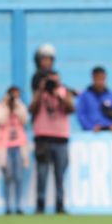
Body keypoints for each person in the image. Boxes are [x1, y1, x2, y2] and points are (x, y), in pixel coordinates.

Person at [29, 71, 74, 214]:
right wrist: (41, 91)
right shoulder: (40, 93)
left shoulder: (64, 92)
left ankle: (60, 205)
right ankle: (40, 205)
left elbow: (70, 109)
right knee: (42, 174)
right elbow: (32, 109)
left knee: (60, 174)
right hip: (43, 138)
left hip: (61, 138)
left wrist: (58, 95)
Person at [0, 86, 29, 215]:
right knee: (8, 177)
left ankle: (19, 206)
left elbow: (25, 120)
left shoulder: (21, 106)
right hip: (5, 146)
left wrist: (17, 105)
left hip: (19, 145)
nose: (15, 97)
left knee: (19, 177)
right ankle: (8, 206)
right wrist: (7, 106)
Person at [76, 67, 112, 131]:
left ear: (105, 78)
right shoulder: (85, 96)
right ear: (93, 78)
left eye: (102, 78)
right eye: (97, 78)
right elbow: (81, 115)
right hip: (92, 134)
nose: (100, 81)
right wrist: (90, 127)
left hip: (110, 133)